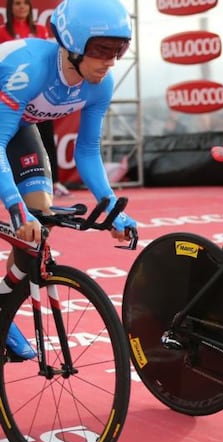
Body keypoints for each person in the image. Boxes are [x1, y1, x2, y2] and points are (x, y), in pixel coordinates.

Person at [0, 0, 138, 360]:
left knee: (38, 224)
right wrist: (16, 211)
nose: (110, 61)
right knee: (22, 217)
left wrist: (111, 211)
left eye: (119, 50)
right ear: (73, 44)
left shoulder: (99, 85)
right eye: (102, 50)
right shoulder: (28, 68)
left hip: (15, 130)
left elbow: (87, 152)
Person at [0, 0, 69, 197]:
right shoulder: (2, 31)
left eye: (25, 4)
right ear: (10, 8)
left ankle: (54, 182)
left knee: (47, 138)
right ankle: (12, 186)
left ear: (30, 8)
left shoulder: (39, 29)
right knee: (8, 139)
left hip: (39, 95)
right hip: (11, 94)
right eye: (17, 3)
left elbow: (49, 60)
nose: (21, 7)